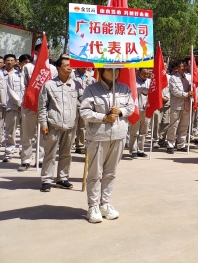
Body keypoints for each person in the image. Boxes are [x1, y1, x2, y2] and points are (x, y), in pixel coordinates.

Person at [80, 67, 135, 223]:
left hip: (118, 135)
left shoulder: (125, 89)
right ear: (101, 71)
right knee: (95, 173)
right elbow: (84, 112)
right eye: (110, 70)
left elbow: (131, 107)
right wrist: (104, 117)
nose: (114, 72)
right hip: (99, 136)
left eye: (117, 70)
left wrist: (120, 111)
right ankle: (93, 206)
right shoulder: (92, 89)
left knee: (110, 172)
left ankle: (105, 203)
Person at [38, 57, 79, 191]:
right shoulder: (49, 85)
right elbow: (42, 106)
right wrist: (43, 123)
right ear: (58, 68)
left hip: (70, 125)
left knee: (66, 153)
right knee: (50, 153)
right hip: (53, 125)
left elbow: (83, 102)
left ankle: (62, 178)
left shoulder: (76, 85)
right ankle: (46, 180)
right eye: (66, 65)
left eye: (70, 65)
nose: (69, 68)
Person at [166, 61, 193, 154]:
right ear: (177, 68)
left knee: (184, 126)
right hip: (176, 105)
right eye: (181, 66)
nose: (183, 68)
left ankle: (181, 144)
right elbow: (175, 92)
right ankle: (170, 144)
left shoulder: (189, 77)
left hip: (186, 105)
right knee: (173, 126)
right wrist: (187, 94)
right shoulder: (173, 78)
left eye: (184, 66)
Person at [2, 54, 23, 163]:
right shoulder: (10, 76)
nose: (9, 62)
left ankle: (23, 153)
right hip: (11, 106)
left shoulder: (26, 76)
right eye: (8, 60)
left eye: (12, 60)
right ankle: (9, 153)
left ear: (15, 62)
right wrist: (19, 103)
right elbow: (10, 91)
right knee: (10, 132)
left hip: (25, 108)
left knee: (26, 133)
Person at [73, 68, 95, 154]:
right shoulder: (72, 75)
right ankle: (69, 144)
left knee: (82, 126)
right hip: (74, 103)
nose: (84, 67)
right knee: (72, 125)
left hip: (85, 104)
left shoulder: (90, 76)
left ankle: (80, 145)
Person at [130, 69, 150, 158]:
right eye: (144, 73)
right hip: (136, 109)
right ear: (139, 72)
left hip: (147, 109)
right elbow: (138, 90)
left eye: (147, 73)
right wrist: (147, 90)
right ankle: (133, 150)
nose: (146, 75)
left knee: (144, 131)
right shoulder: (134, 82)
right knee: (134, 131)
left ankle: (140, 150)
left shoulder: (150, 81)